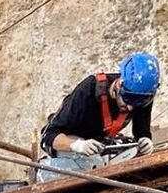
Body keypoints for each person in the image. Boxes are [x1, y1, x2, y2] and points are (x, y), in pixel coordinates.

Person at [38, 52, 161, 182]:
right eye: (128, 99)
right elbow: (47, 137)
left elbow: (142, 131)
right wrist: (77, 145)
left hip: (100, 142)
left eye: (138, 103)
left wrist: (145, 140)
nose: (130, 108)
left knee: (130, 156)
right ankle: (46, 171)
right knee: (91, 164)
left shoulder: (142, 97)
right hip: (67, 141)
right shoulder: (88, 90)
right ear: (119, 85)